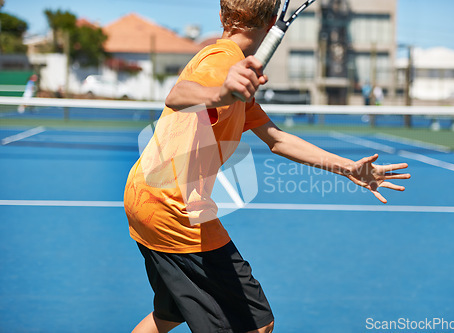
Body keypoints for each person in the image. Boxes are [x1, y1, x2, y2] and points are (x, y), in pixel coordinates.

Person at [124, 1, 410, 332]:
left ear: (222, 15)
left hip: (142, 199)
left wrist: (349, 168)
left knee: (169, 314)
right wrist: (220, 91)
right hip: (176, 212)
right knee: (256, 325)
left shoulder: (230, 70)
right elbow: (177, 95)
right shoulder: (222, 62)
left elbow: (277, 139)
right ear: (273, 20)